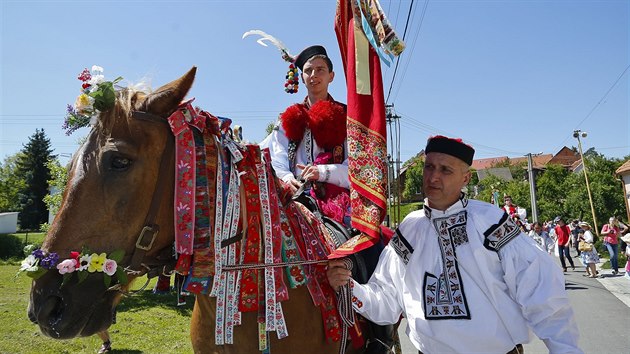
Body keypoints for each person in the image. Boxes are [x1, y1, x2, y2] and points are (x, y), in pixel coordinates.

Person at [327, 135, 582, 353]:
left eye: (445, 170)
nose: (433, 177)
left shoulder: (491, 222)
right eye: (429, 167)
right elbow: (387, 301)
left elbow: (542, 293)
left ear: (465, 178)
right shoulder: (410, 229)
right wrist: (350, 287)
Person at [264, 44, 393, 353]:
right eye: (308, 70)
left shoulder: (349, 118)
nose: (313, 75)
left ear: (332, 76)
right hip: (293, 195)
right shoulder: (287, 121)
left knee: (366, 245)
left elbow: (360, 169)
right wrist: (286, 177)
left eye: (319, 70)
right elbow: (276, 157)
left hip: (337, 198)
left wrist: (322, 173)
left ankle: (378, 333)